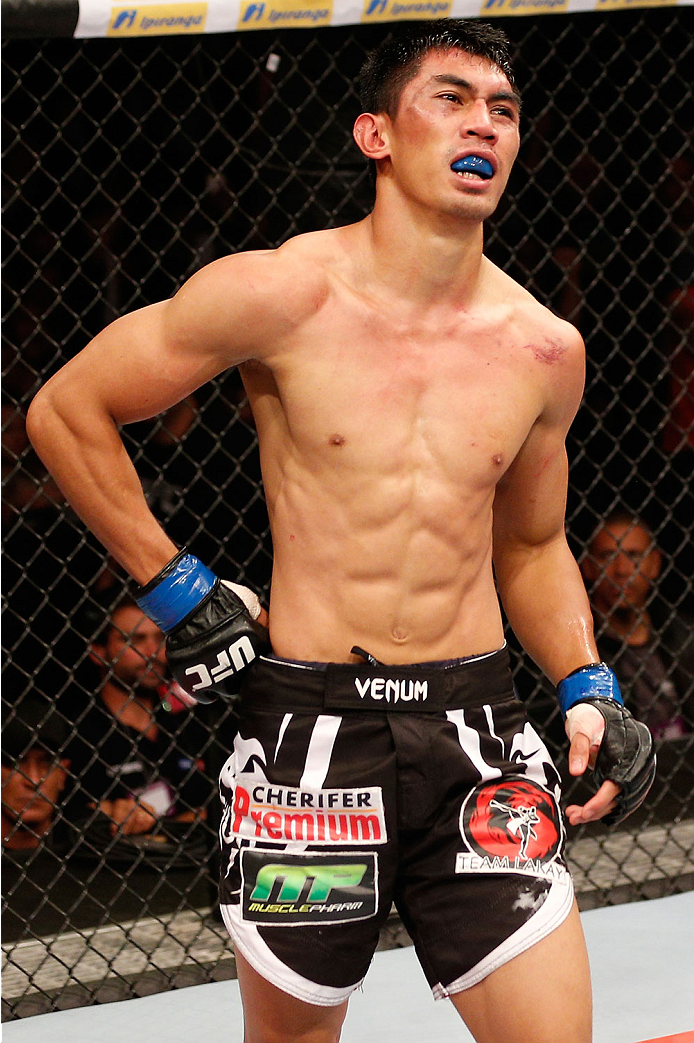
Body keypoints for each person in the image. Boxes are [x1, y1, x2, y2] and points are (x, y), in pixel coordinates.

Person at [26, 20, 656, 1043]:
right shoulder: (281, 292)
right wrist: (176, 587)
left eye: (502, 110)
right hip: (313, 737)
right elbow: (66, 409)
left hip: (476, 727)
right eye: (448, 99)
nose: (481, 126)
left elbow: (532, 547)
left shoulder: (544, 346)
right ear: (375, 133)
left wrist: (587, 683)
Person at [67, 594, 211, 852]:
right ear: (98, 653)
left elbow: (218, 807)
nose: (153, 652)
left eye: (159, 639)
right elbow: (75, 815)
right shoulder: (80, 733)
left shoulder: (188, 722)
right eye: (134, 640)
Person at [581, 510, 693, 740]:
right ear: (588, 566)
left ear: (655, 564)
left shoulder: (683, 634)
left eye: (633, 556)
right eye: (607, 556)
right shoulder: (581, 650)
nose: (621, 570)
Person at [1, 695, 71, 851]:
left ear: (63, 774)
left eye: (46, 763)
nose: (33, 780)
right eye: (16, 763)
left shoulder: (86, 852)